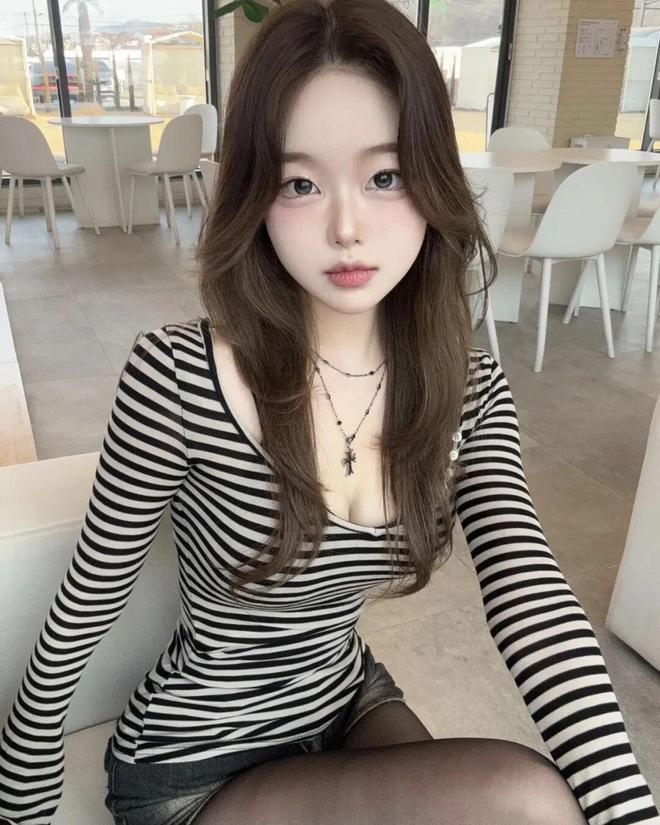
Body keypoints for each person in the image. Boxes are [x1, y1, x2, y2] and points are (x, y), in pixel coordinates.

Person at [1, 0, 659, 823]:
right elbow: (90, 593)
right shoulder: (177, 376)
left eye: (385, 176)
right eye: (301, 184)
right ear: (256, 196)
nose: (348, 228)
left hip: (346, 703)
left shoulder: (469, 388)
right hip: (197, 758)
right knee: (522, 799)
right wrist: (22, 784)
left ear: (432, 180)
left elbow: (532, 599)